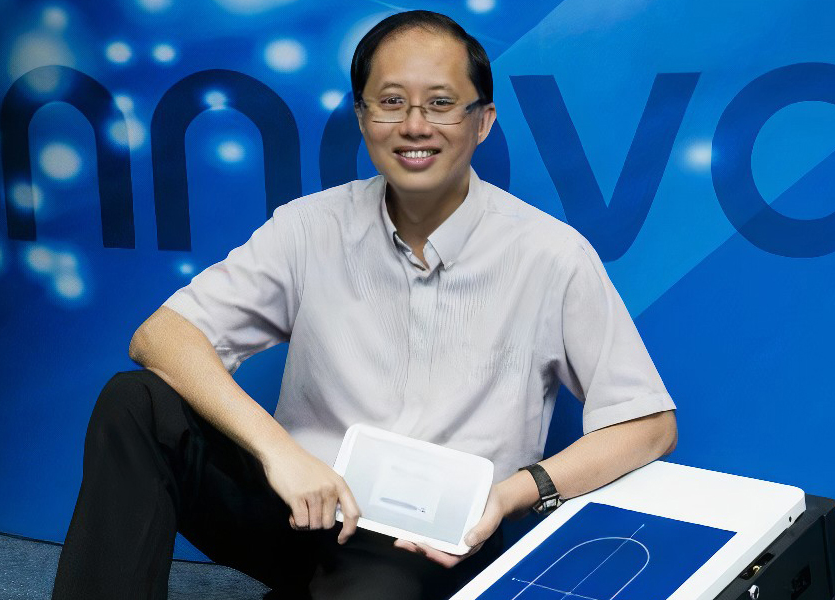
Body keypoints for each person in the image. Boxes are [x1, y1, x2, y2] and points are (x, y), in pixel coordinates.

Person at [51, 10, 676, 600]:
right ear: (361, 116)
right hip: (301, 504)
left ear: (483, 121)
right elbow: (160, 336)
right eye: (391, 102)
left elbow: (648, 424)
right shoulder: (310, 226)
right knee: (136, 402)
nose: (414, 126)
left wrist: (513, 495)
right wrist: (281, 453)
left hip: (430, 541)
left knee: (380, 587)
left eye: (441, 104)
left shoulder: (551, 254)